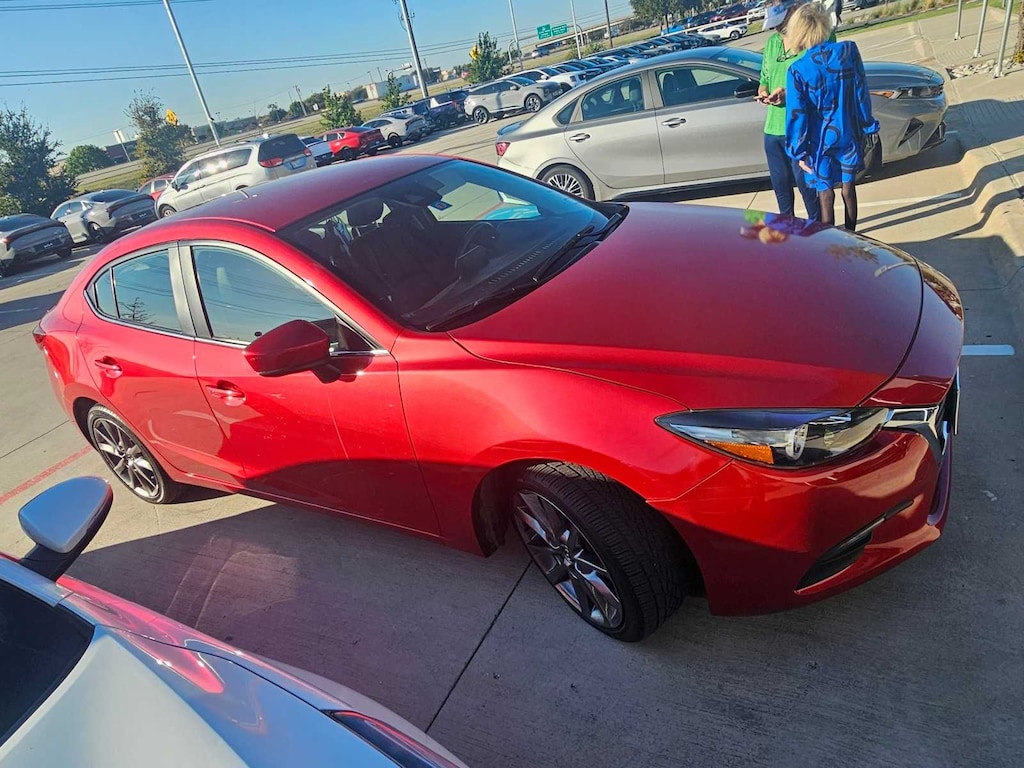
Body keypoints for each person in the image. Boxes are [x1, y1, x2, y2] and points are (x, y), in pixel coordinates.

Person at [784, 2, 879, 231]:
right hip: (848, 132)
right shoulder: (848, 51)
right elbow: (861, 93)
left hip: (820, 142)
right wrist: (868, 126)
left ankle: (830, 249)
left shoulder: (798, 70)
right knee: (849, 188)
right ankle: (853, 238)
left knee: (825, 195)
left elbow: (797, 115)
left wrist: (798, 151)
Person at [757, 0, 822, 222]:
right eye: (772, 23)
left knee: (806, 185)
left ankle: (819, 230)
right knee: (781, 186)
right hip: (773, 129)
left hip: (798, 126)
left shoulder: (808, 41)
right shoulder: (772, 43)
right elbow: (764, 77)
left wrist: (787, 93)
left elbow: (815, 80)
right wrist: (764, 91)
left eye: (779, 21)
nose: (776, 27)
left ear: (792, 13)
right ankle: (789, 235)